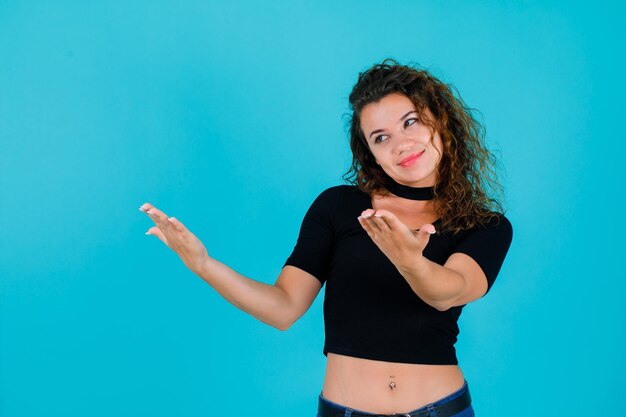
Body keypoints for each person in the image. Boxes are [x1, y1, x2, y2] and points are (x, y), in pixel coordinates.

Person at [139, 58, 513, 417]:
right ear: (371, 155)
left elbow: (446, 291)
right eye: (381, 137)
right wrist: (203, 265)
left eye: (411, 122)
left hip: (441, 410)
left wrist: (410, 261)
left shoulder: (484, 225)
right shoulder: (339, 207)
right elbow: (283, 308)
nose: (401, 144)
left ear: (440, 120)